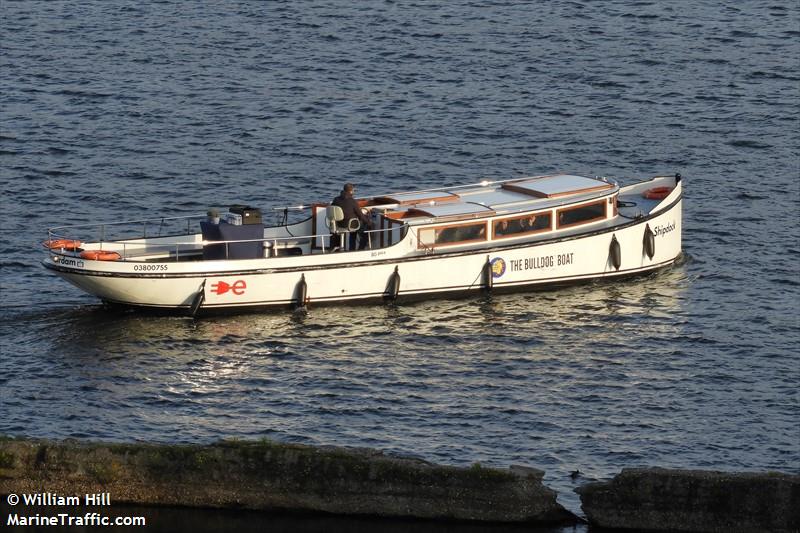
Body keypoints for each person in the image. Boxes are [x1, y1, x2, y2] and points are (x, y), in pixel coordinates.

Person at [331, 183, 371, 250]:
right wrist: (368, 222)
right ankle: (360, 250)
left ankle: (351, 249)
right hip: (350, 224)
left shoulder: (336, 199)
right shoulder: (352, 201)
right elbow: (360, 215)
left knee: (353, 231)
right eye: (353, 191)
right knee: (364, 231)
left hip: (338, 224)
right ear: (351, 191)